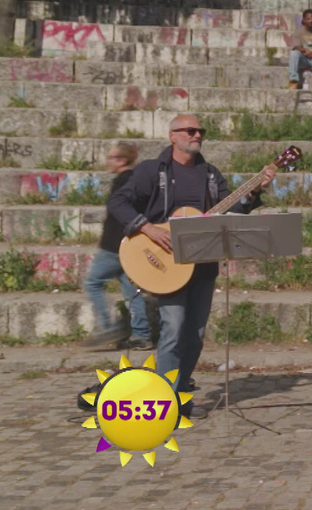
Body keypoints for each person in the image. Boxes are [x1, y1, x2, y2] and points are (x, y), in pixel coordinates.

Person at [108, 115, 276, 416]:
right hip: (165, 264)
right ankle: (163, 404)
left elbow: (232, 209)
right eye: (191, 130)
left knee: (195, 335)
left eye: (201, 131)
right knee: (173, 329)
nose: (197, 134)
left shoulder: (210, 174)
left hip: (202, 266)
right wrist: (149, 229)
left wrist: (253, 191)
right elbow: (118, 203)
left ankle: (180, 394)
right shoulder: (152, 171)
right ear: (173, 136)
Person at [81, 143, 153, 350]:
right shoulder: (138, 180)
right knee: (132, 290)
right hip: (131, 244)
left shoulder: (122, 181)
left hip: (113, 245)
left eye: (112, 157)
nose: (108, 161)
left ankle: (107, 326)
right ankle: (142, 335)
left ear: (122, 160)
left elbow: (119, 214)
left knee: (93, 283)